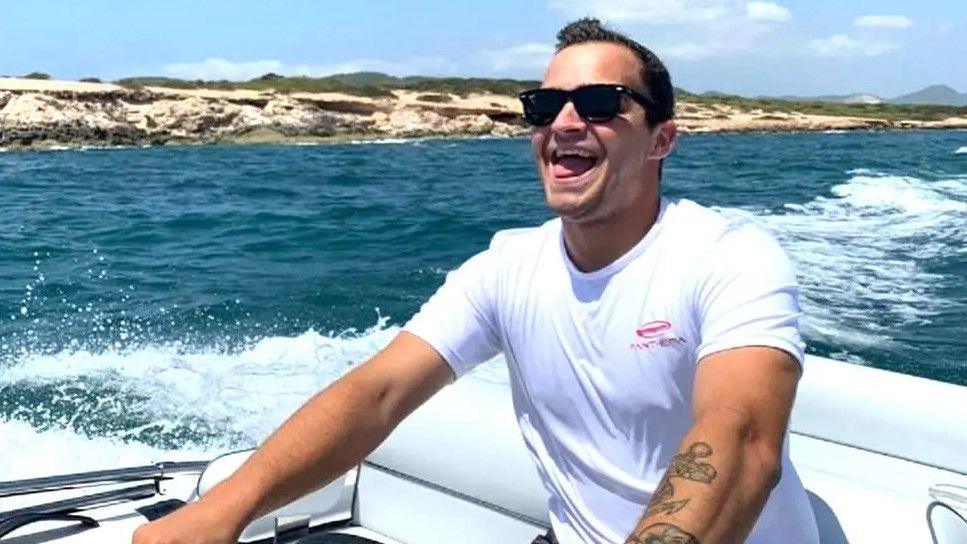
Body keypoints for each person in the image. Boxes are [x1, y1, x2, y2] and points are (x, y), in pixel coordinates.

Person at [133, 18, 820, 544]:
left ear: (661, 140)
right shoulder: (505, 267)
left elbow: (740, 436)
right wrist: (220, 513)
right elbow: (376, 394)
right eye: (544, 106)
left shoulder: (727, 257)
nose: (565, 124)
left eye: (601, 102)